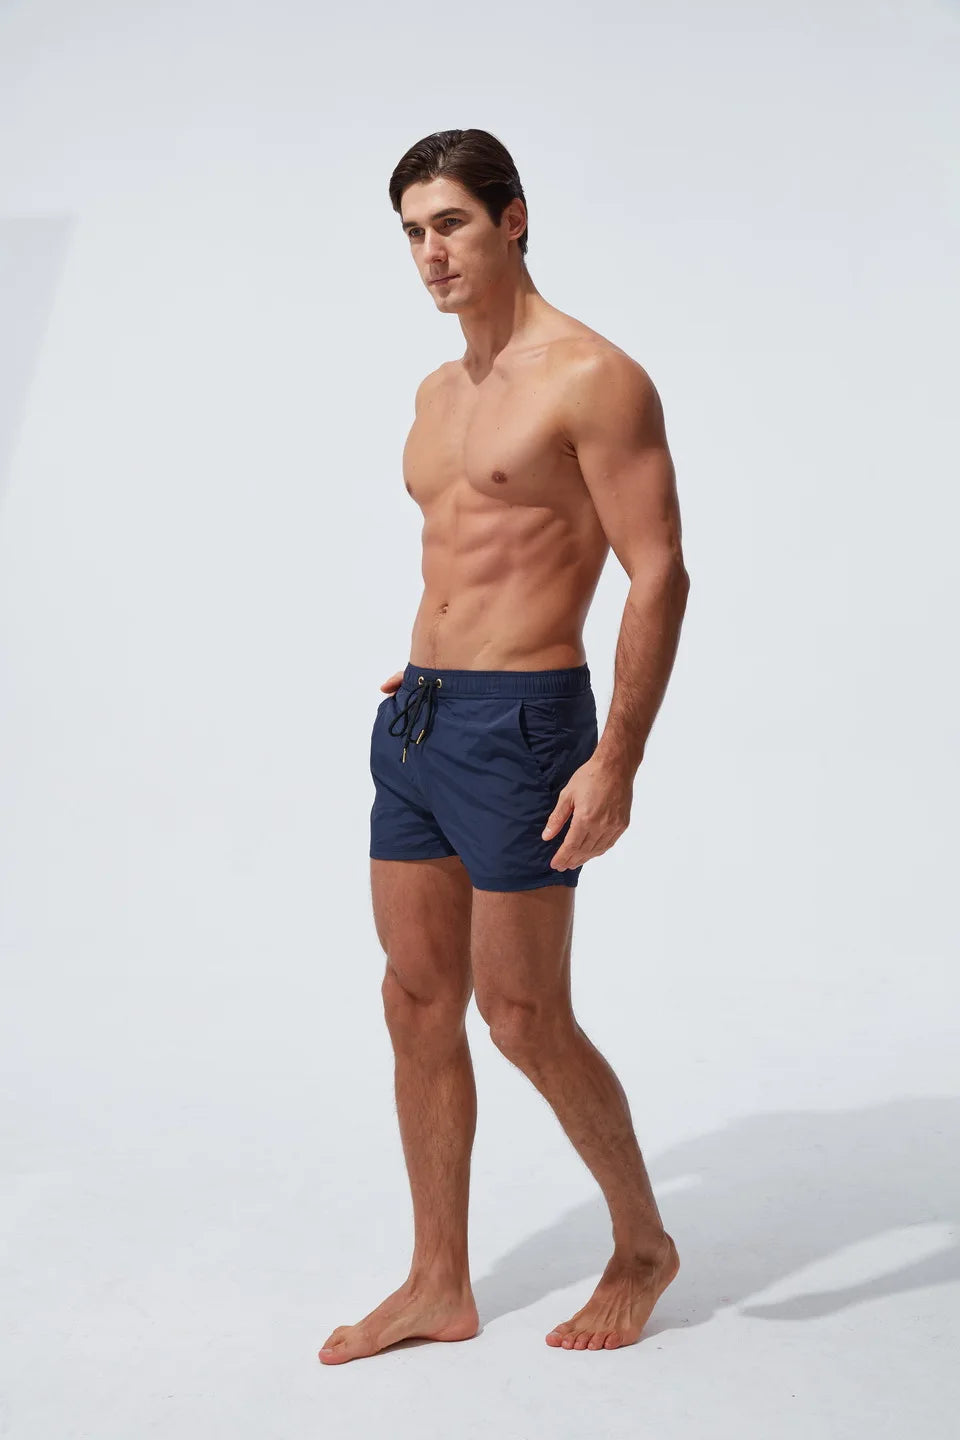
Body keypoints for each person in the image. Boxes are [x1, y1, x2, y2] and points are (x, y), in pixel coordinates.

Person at [319, 128, 690, 1365]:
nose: (431, 254)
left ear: (512, 219)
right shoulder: (438, 392)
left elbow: (658, 573)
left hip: (527, 727)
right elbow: (464, 559)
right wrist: (433, 663)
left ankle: (644, 1246)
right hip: (422, 717)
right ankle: (439, 1281)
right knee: (416, 998)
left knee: (522, 1013)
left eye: (451, 224)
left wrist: (618, 758)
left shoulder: (594, 377)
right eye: (412, 233)